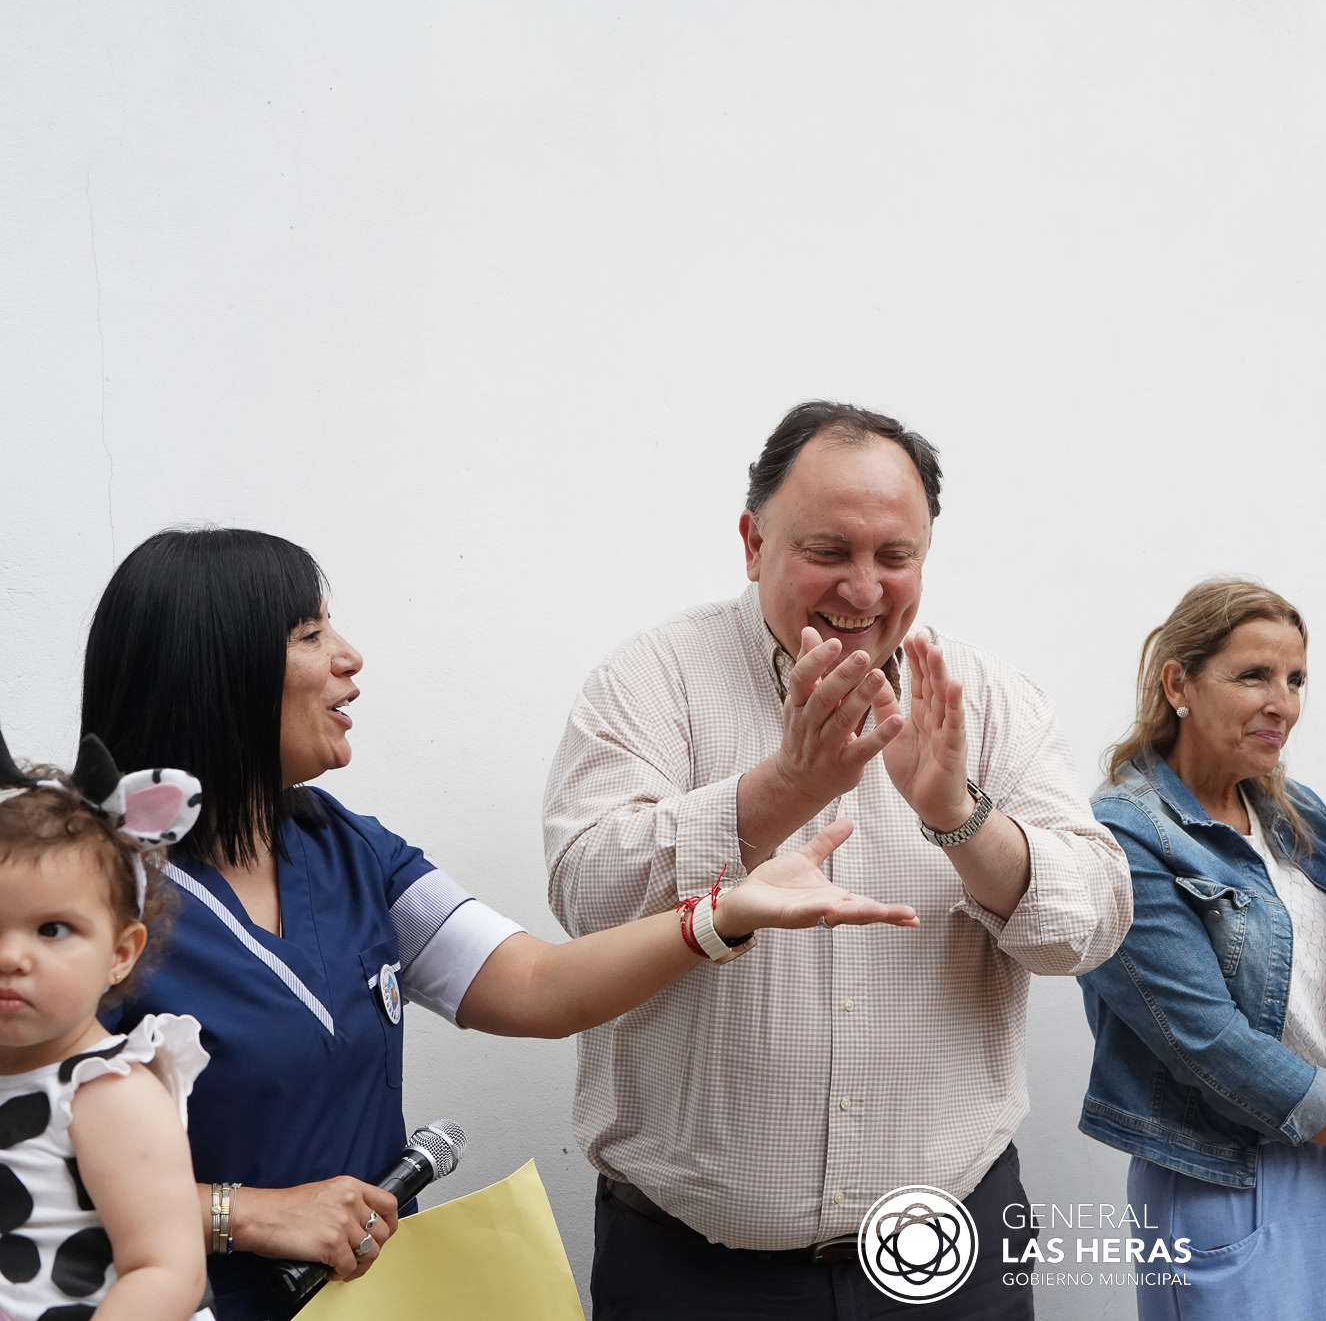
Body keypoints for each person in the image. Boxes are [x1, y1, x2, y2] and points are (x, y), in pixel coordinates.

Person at [84, 527, 918, 1321]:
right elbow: (34, 1150)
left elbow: (537, 986)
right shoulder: (82, 891)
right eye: (311, 634)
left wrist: (722, 914)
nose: (350, 656)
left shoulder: (349, 850)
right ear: (217, 669)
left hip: (364, 1300)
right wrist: (243, 1213)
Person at [542, 401, 1132, 1320]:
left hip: (950, 1256)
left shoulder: (990, 698)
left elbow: (1088, 928)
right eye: (828, 550)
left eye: (895, 555)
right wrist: (779, 791)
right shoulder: (651, 680)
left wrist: (960, 817)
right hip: (691, 1270)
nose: (863, 588)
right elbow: (589, 898)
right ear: (753, 542)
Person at [1078, 579, 1326, 1321]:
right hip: (1239, 1181)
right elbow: (1211, 1045)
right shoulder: (1122, 835)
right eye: (1253, 676)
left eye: (1295, 679)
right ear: (1178, 684)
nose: (1283, 703)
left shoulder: (1297, 814)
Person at [0, 727, 211, 1321]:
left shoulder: (106, 1092)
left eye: (52, 929)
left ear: (120, 953)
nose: (10, 957)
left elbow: (165, 1270)